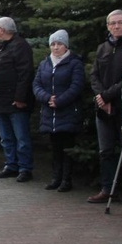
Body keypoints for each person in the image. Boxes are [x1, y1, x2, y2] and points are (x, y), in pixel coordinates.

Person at [88, 10, 122, 208]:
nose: (117, 26)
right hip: (103, 108)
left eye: (120, 23)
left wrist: (107, 96)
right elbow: (93, 75)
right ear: (108, 26)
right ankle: (107, 189)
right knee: (106, 151)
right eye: (113, 23)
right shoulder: (103, 48)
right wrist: (100, 97)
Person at [0, 17, 34, 182]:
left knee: (21, 137)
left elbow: (25, 74)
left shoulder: (20, 46)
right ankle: (11, 164)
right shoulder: (1, 47)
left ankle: (25, 168)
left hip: (15, 101)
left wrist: (20, 97)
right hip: (0, 100)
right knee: (6, 137)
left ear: (2, 30)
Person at [32, 30, 84, 192]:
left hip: (67, 111)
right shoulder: (45, 63)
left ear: (66, 46)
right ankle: (56, 177)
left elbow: (76, 86)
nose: (55, 47)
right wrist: (47, 98)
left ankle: (66, 179)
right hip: (49, 112)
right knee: (55, 147)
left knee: (67, 147)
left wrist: (60, 101)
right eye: (53, 44)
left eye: (59, 44)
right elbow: (36, 84)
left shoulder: (74, 63)